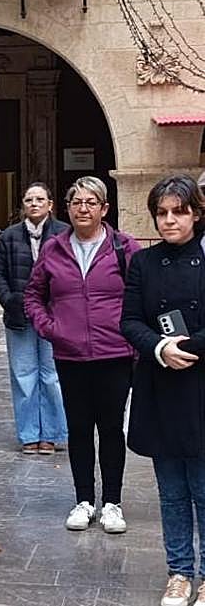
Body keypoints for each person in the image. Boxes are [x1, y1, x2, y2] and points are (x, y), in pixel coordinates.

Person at [24, 176, 139, 534]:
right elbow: (33, 294)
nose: (83, 208)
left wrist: (132, 336)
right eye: (76, 202)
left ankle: (113, 503)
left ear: (105, 208)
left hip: (114, 353)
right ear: (68, 208)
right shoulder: (54, 248)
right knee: (77, 429)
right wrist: (50, 328)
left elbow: (141, 295)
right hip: (70, 355)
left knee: (110, 429)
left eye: (91, 202)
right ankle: (84, 500)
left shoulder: (124, 247)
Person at [121, 175, 205, 606]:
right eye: (162, 213)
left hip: (200, 384)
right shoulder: (144, 263)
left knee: (204, 490)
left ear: (196, 212)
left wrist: (184, 348)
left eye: (179, 211)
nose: (169, 220)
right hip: (160, 385)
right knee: (171, 492)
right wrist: (158, 347)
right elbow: (129, 319)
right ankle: (179, 572)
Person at [0, 182, 68, 454]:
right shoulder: (10, 237)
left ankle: (52, 433)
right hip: (19, 316)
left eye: (40, 199)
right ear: (23, 204)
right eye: (29, 199)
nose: (35, 203)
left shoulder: (63, 234)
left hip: (53, 317)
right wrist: (9, 299)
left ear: (50, 204)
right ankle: (29, 434)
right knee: (23, 375)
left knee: (52, 376)